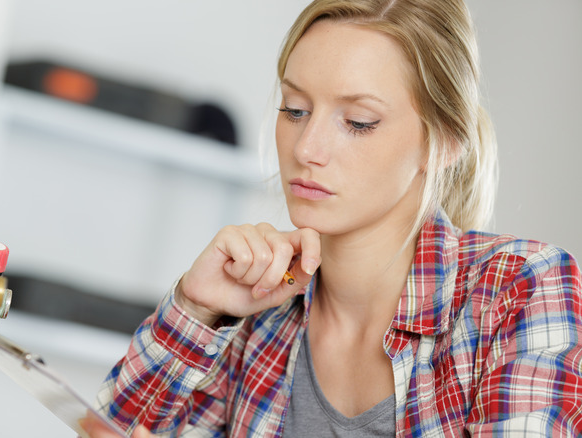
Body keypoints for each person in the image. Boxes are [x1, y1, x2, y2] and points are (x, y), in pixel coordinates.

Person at [80, 0, 582, 436]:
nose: (307, 148)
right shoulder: (260, 317)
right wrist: (195, 309)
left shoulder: (520, 289)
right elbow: (111, 429)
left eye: (358, 123)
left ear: (444, 142)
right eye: (295, 109)